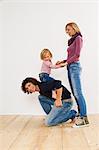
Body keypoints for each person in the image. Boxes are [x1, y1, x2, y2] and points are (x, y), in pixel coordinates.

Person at [56, 22, 89, 127]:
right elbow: (72, 55)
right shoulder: (72, 40)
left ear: (74, 28)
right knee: (75, 93)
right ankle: (80, 115)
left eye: (68, 29)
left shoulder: (78, 38)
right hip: (70, 67)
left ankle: (84, 118)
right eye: (66, 30)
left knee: (78, 93)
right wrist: (63, 61)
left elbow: (77, 54)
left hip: (74, 67)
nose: (67, 32)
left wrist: (67, 62)